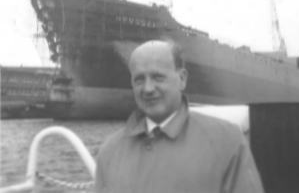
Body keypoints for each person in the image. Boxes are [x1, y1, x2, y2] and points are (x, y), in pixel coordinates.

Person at [95, 40, 264, 193]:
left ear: (182, 79)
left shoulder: (227, 140)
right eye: (139, 79)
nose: (148, 88)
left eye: (158, 77)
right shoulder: (110, 150)